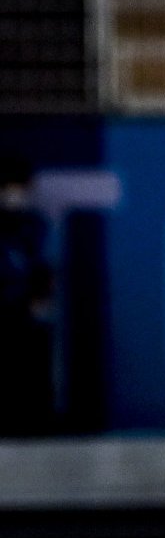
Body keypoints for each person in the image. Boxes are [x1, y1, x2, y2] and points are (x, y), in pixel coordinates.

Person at [0, 152, 54, 435]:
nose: (15, 194)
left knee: (32, 358)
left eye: (21, 187)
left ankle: (35, 422)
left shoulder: (36, 227)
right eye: (9, 187)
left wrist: (38, 303)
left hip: (25, 319)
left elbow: (46, 270)